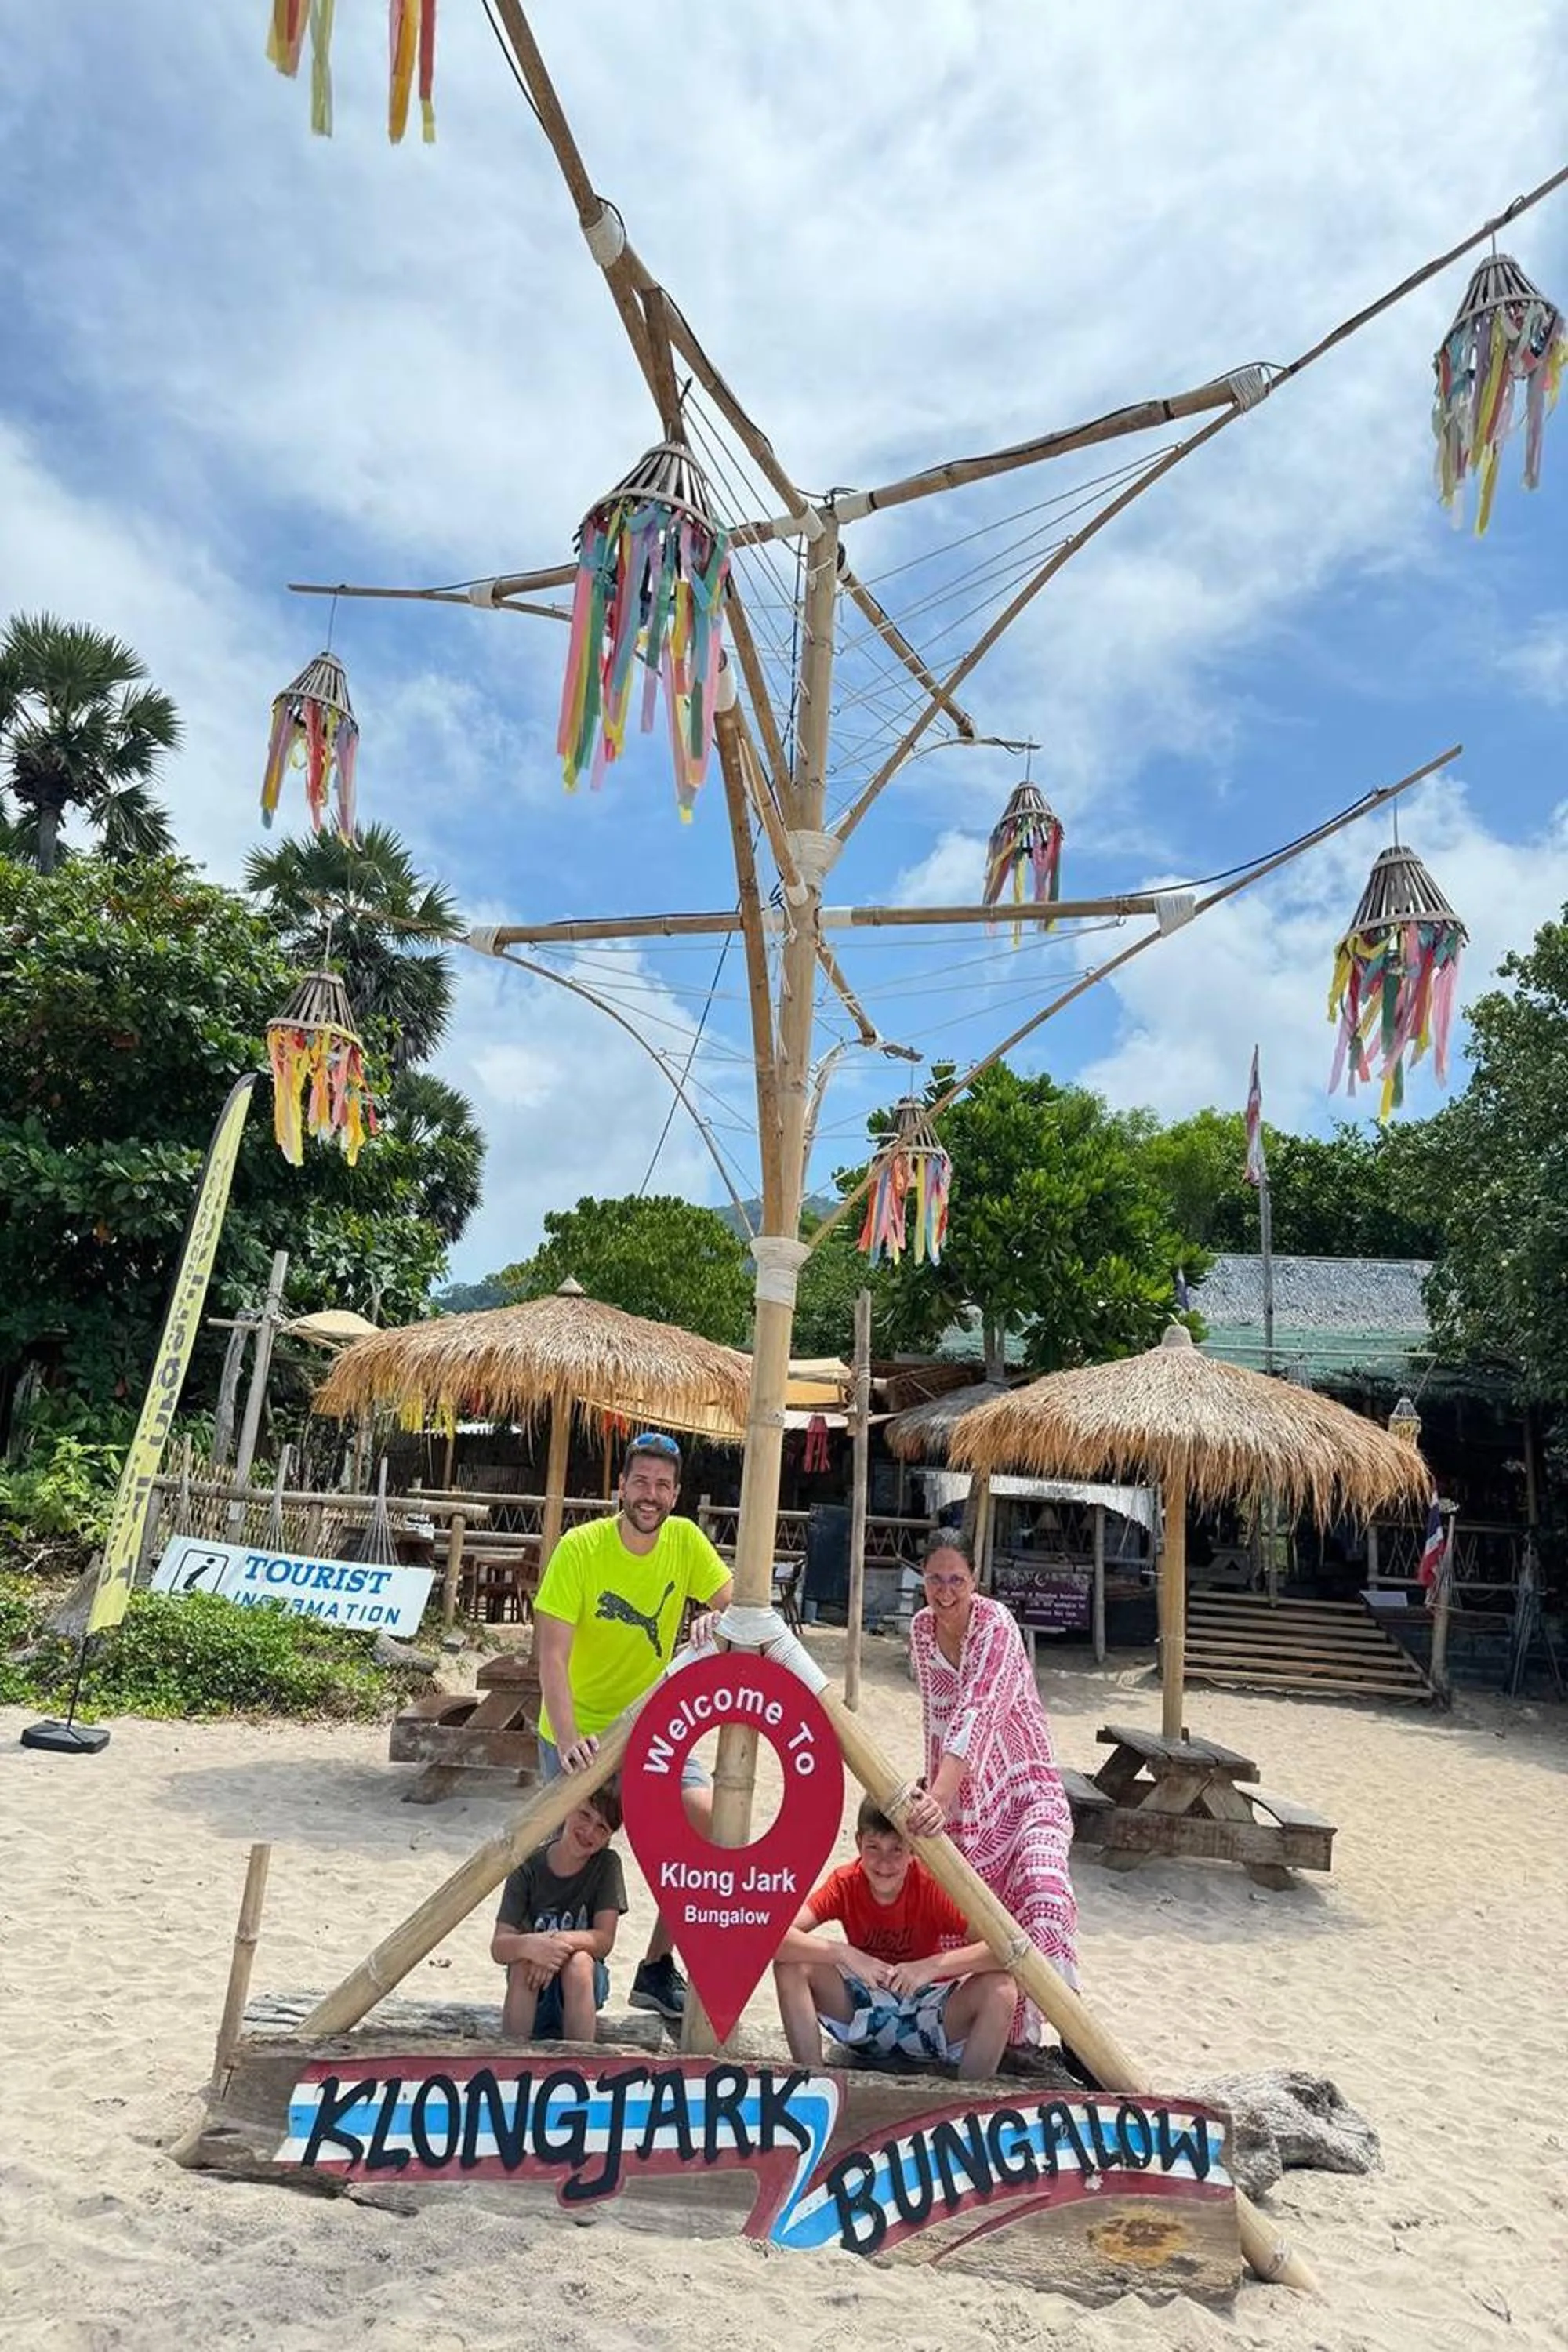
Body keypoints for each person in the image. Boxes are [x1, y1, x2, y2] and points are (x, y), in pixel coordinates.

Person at [532, 1429, 732, 2020]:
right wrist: (570, 1738)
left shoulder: (686, 1541)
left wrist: (713, 1621)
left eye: (662, 1485)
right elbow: (550, 1656)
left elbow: (742, 1607)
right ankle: (557, 1982)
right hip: (579, 1728)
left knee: (714, 1822)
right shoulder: (580, 1548)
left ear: (676, 1494)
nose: (650, 1494)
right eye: (640, 1481)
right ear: (621, 1486)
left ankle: (657, 1966)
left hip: (653, 1729)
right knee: (567, 1861)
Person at [903, 1529, 1079, 2043]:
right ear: (923, 1580)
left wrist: (938, 1797)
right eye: (935, 1579)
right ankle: (1005, 2039)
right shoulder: (921, 1629)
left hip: (1025, 1786)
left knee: (1044, 1893)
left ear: (974, 1580)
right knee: (975, 1919)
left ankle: (1070, 2030)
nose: (945, 1592)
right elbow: (936, 1718)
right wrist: (935, 1792)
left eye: (956, 1580)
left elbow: (977, 1710)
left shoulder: (995, 1624)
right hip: (965, 1798)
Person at [772, 1796, 1014, 2080]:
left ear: (912, 1850)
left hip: (928, 2010)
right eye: (873, 1848)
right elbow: (772, 1938)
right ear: (858, 1843)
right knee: (791, 1965)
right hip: (865, 2006)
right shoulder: (845, 1883)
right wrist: (845, 1953)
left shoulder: (930, 1886)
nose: (884, 1863)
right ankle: (813, 2082)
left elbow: (1008, 1949)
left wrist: (932, 1966)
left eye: (896, 1850)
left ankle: (971, 2095)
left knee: (1002, 1988)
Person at [492, 1784, 627, 2043]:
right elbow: (499, 1947)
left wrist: (556, 1942)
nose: (589, 1831)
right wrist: (533, 1947)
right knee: (522, 1962)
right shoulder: (527, 1865)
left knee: (580, 1963)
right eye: (585, 1815)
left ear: (609, 1836)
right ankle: (513, 2055)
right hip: (531, 1986)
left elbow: (604, 1940)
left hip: (581, 1988)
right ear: (568, 1807)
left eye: (602, 1827)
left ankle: (579, 2059)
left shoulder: (606, 1865)